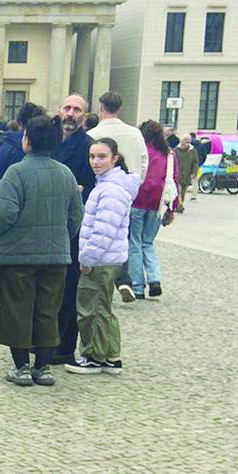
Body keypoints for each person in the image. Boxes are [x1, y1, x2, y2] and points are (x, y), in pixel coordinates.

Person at [0, 115, 83, 387]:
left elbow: (3, 213)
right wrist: (60, 238)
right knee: (48, 310)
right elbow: (75, 217)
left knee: (17, 309)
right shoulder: (66, 174)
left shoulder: (16, 172)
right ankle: (44, 367)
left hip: (18, 255)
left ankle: (22, 367)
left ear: (26, 141)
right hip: (55, 255)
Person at [66, 138, 138, 376]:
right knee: (103, 308)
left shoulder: (110, 190)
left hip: (101, 259)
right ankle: (110, 355)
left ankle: (94, 356)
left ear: (114, 159)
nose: (95, 162)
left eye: (101, 157)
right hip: (108, 258)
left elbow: (104, 230)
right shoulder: (110, 186)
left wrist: (87, 257)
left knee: (91, 308)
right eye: (92, 156)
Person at [52, 94, 96, 366]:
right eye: (67, 108)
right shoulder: (52, 141)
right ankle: (45, 338)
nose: (70, 113)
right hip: (49, 226)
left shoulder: (87, 147)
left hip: (74, 229)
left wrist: (79, 192)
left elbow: (93, 189)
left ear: (84, 116)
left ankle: (64, 346)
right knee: (50, 287)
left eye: (76, 110)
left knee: (68, 290)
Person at [125, 119, 178, 303]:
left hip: (137, 202)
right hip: (158, 204)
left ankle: (138, 286)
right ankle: (154, 278)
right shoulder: (168, 155)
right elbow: (174, 180)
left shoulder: (139, 152)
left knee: (134, 243)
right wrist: (172, 207)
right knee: (148, 242)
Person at [87, 91, 148, 182]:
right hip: (131, 186)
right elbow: (144, 163)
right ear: (120, 109)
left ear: (101, 108)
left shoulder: (91, 135)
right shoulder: (135, 133)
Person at [175, 134, 199, 208]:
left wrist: (194, 172)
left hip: (186, 174)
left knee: (183, 191)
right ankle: (179, 205)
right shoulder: (176, 150)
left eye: (188, 141)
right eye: (185, 141)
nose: (187, 143)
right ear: (181, 141)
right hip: (177, 174)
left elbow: (195, 162)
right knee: (178, 190)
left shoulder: (192, 150)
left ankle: (180, 204)